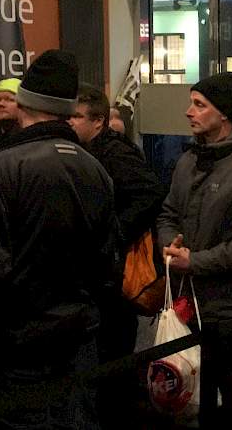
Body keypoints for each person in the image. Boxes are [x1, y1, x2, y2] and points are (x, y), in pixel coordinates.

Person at [0, 50, 118, 430]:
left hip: (16, 351)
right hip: (79, 340)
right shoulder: (95, 169)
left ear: (22, 104)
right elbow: (109, 265)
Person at [158, 71, 232, 430]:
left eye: (199, 105)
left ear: (223, 114)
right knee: (196, 399)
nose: (189, 112)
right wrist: (169, 245)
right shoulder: (188, 162)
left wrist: (195, 261)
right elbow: (168, 212)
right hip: (190, 306)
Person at [67, 85, 165, 430]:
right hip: (106, 272)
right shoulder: (91, 149)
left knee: (113, 354)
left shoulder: (113, 153)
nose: (71, 122)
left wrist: (115, 233)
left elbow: (150, 192)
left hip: (115, 276)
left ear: (98, 121)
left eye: (77, 116)